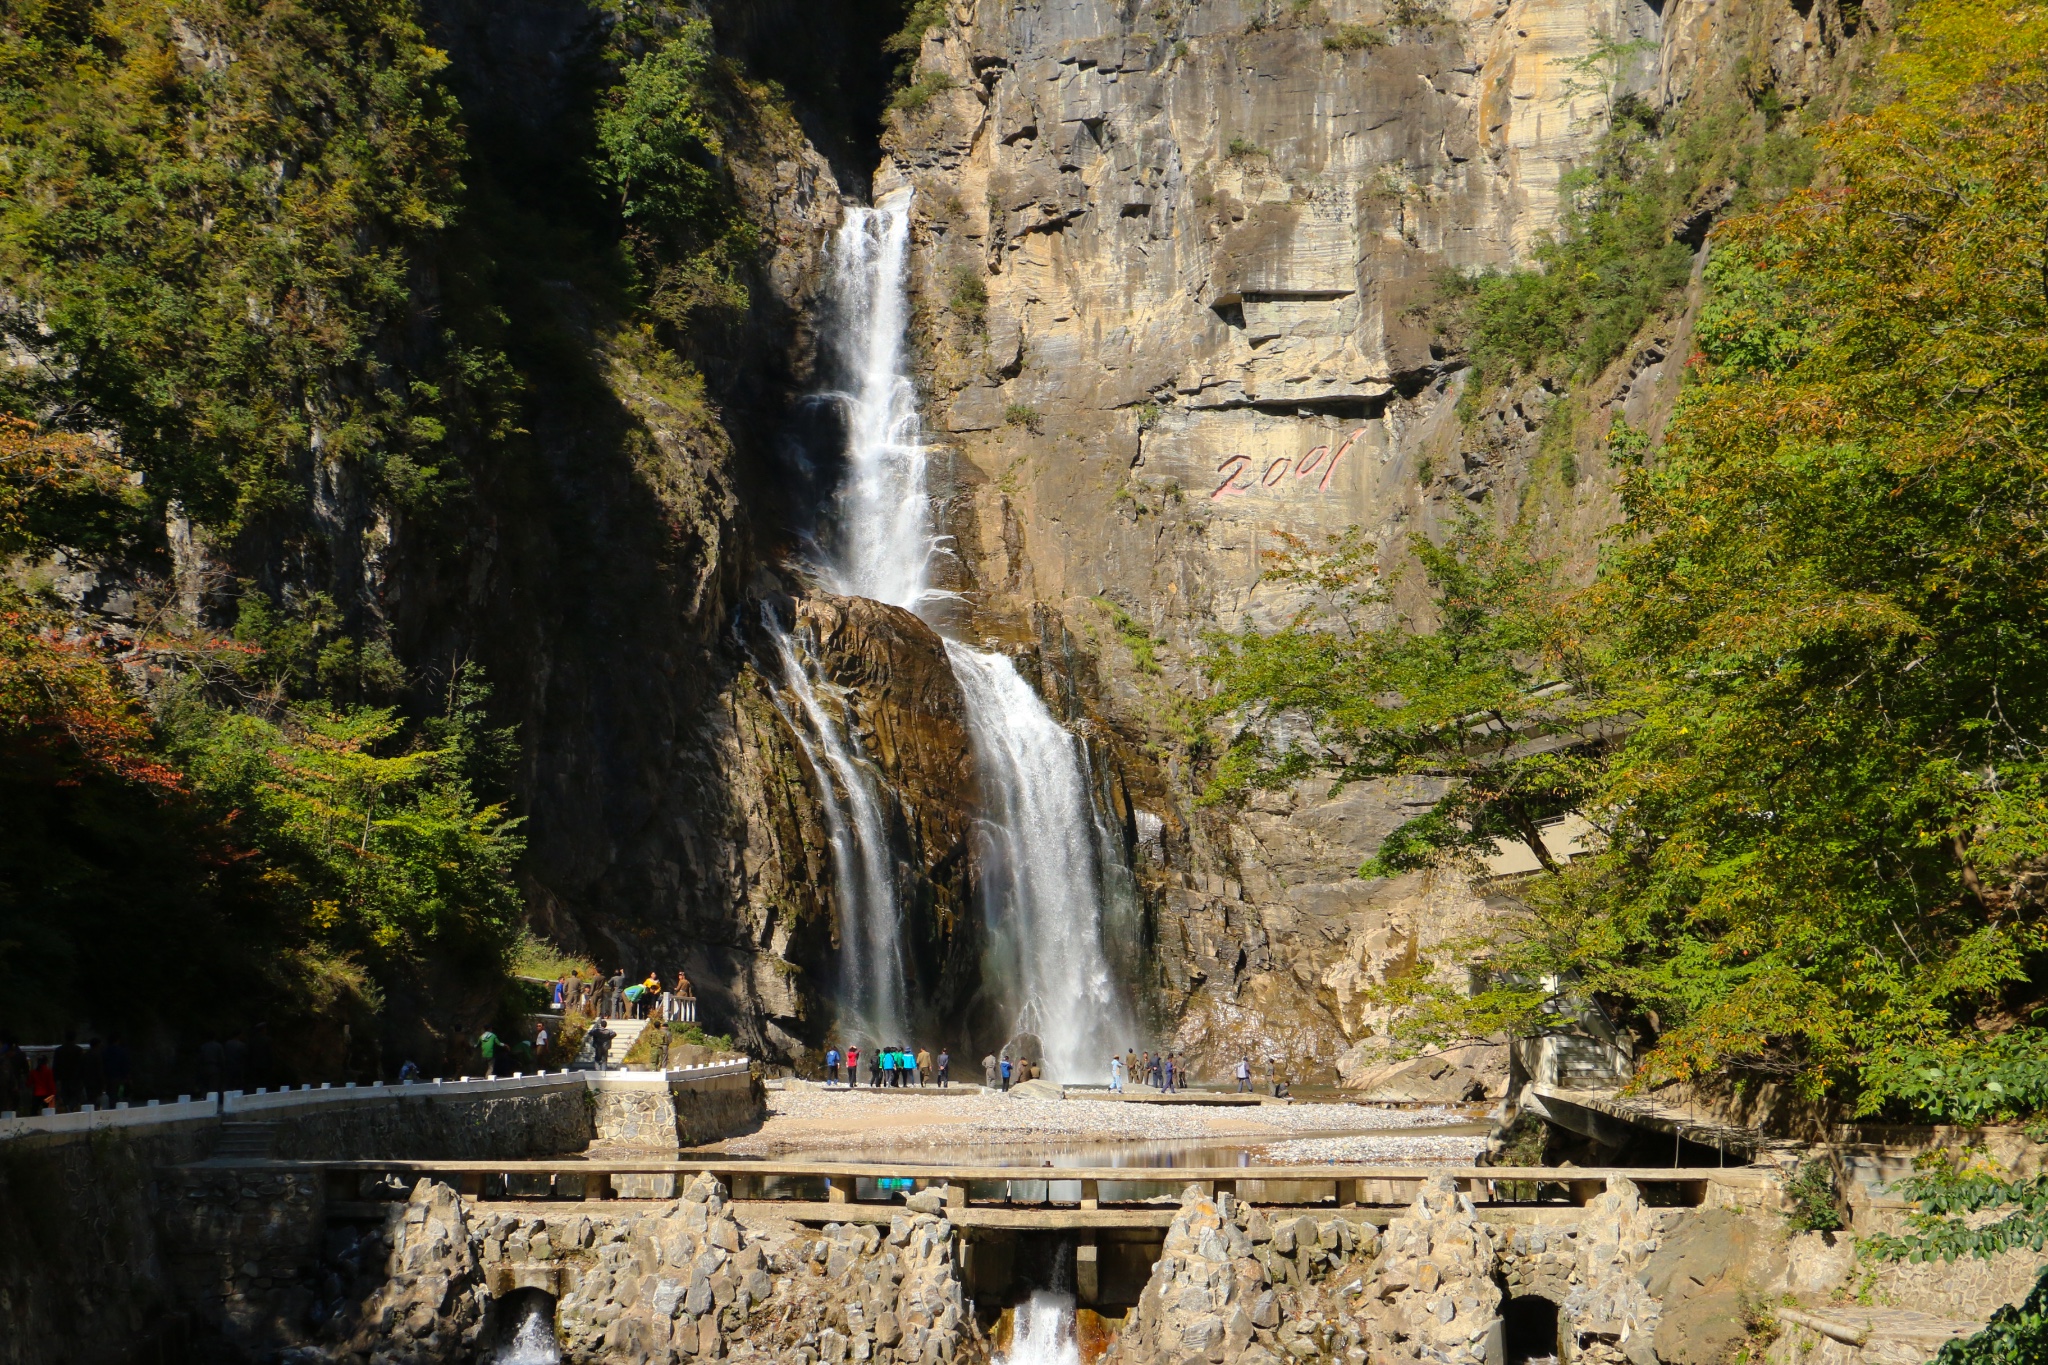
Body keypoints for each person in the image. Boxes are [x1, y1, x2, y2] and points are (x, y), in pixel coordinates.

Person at [53, 1031, 85, 1111]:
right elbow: (82, 1065)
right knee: (76, 1096)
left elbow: (55, 1066)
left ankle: (67, 1106)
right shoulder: (78, 1050)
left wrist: (56, 1078)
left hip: (63, 1078)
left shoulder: (59, 1050)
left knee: (65, 1096)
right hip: (76, 1078)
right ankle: (70, 1107)